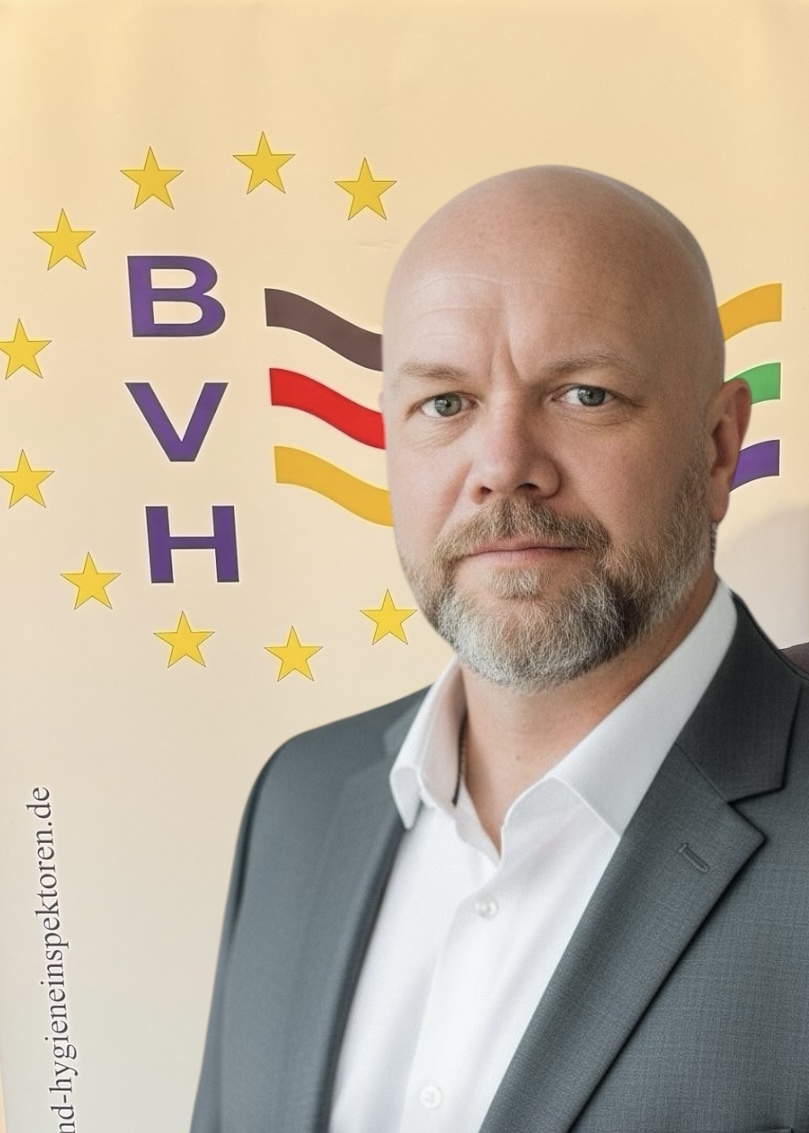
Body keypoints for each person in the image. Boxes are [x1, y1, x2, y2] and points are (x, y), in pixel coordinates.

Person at [191, 167, 809, 1133]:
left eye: (585, 393)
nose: (502, 465)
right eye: (445, 404)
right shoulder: (297, 798)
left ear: (718, 446)